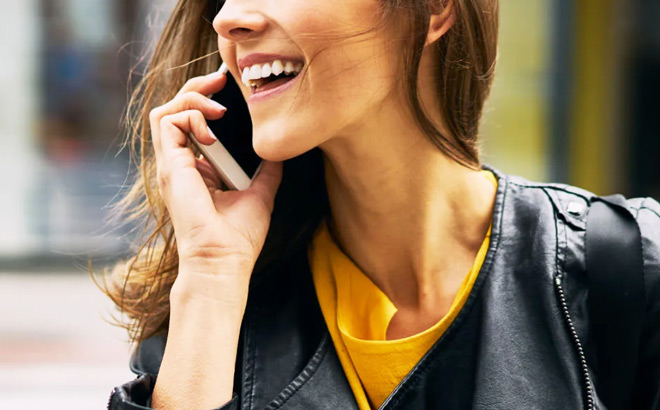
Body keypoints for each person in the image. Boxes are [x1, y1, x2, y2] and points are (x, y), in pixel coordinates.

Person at [101, 0, 660, 409]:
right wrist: (212, 277)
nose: (228, 18)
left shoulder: (625, 271)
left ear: (435, 8)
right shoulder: (210, 309)